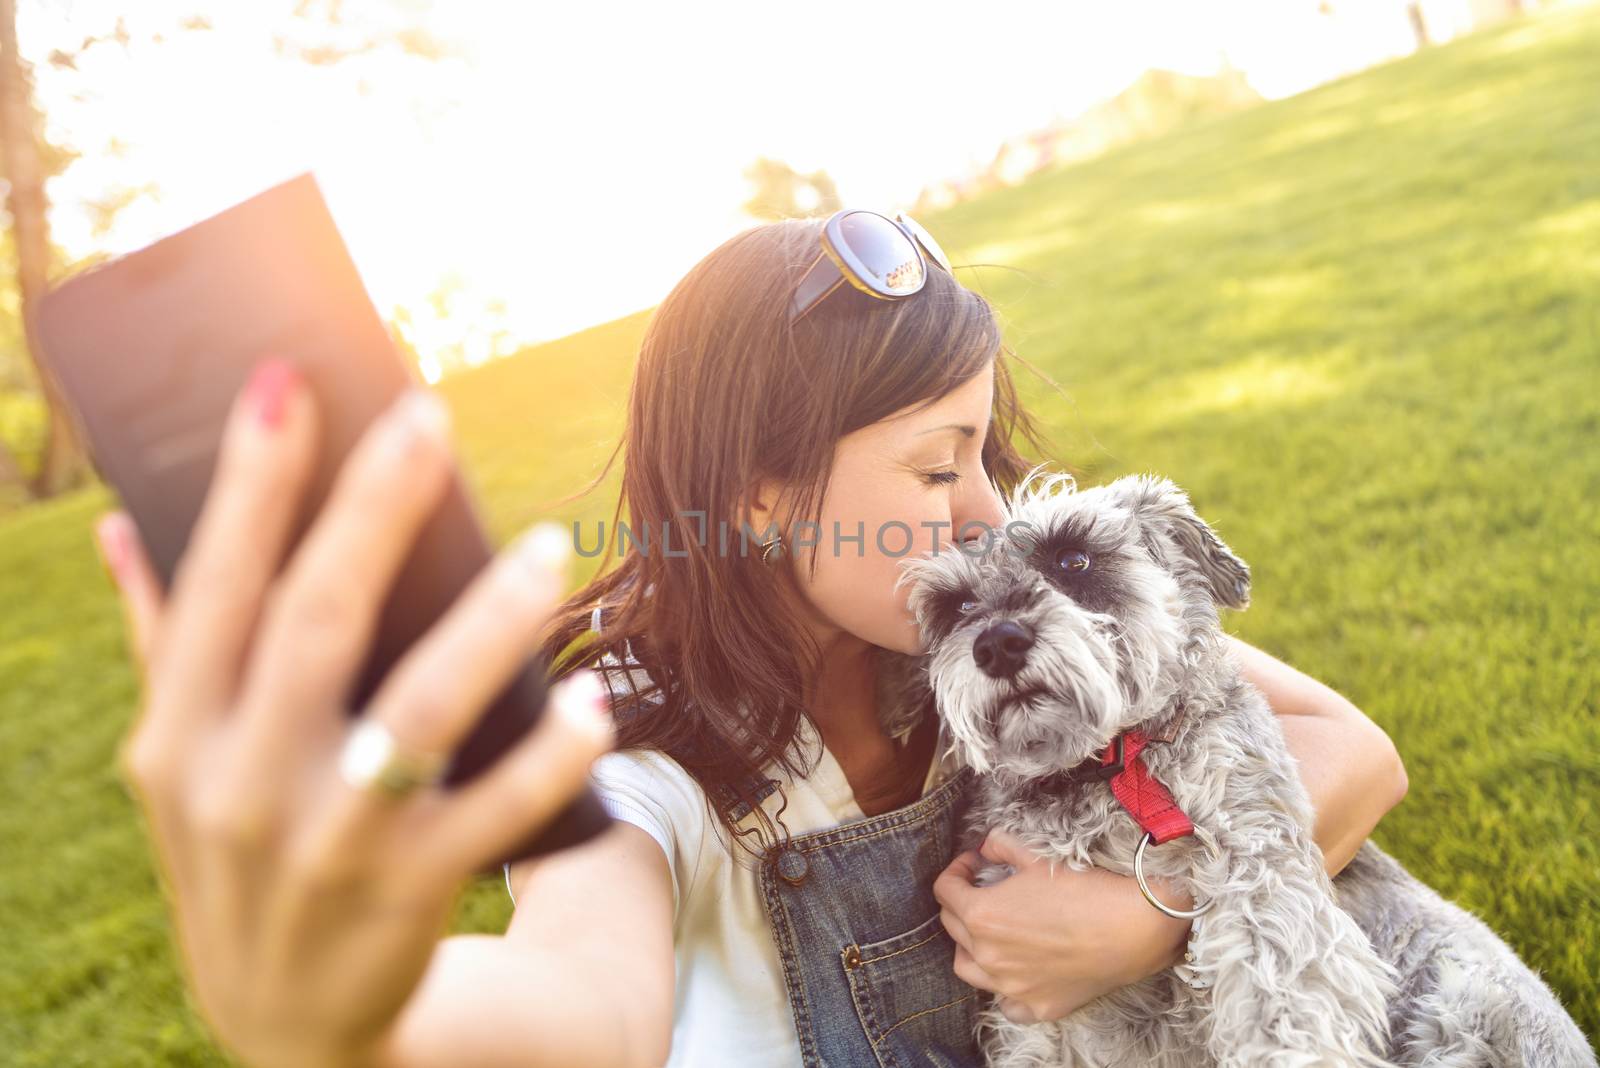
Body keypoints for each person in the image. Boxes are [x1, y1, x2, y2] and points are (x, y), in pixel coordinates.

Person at [95, 211, 1409, 1068]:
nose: (989, 512)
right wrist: (339, 1021)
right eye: (938, 463)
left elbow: (1350, 752)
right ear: (761, 495)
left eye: (986, 453)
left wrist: (1147, 915)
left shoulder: (982, 622)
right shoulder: (637, 750)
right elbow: (582, 1014)